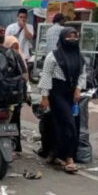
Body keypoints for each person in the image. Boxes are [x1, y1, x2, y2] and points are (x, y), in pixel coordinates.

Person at [38, 27, 86, 173]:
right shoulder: (53, 56)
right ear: (62, 38)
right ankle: (69, 157)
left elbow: (83, 74)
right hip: (57, 93)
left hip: (71, 94)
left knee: (60, 124)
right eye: (69, 36)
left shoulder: (80, 56)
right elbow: (46, 76)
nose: (72, 39)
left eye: (74, 36)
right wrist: (45, 97)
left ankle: (55, 152)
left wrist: (78, 89)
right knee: (68, 123)